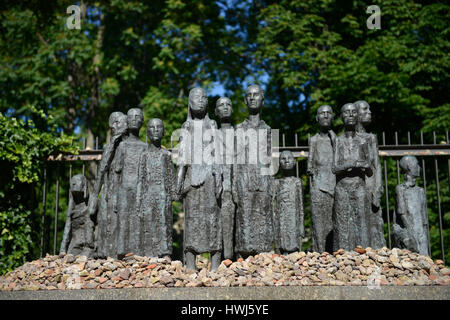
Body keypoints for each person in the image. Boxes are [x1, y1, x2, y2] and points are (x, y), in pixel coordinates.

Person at [176, 88, 222, 271]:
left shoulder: (212, 125)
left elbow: (217, 154)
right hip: (192, 180)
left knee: (213, 219)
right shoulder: (186, 127)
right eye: (197, 98)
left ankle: (215, 261)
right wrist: (178, 182)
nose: (201, 101)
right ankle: (190, 262)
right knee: (192, 220)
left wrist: (219, 177)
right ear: (189, 102)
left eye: (204, 97)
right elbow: (182, 157)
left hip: (210, 178)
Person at [233, 84, 274, 259]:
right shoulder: (239, 129)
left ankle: (263, 257)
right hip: (244, 182)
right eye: (248, 95)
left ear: (262, 99)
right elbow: (235, 160)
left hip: (263, 182)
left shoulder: (268, 130)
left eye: (256, 95)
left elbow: (271, 160)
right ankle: (244, 257)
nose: (252, 98)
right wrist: (235, 185)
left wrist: (271, 185)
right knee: (245, 220)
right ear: (245, 100)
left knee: (263, 217)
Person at [332, 103, 371, 251]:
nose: (350, 115)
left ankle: (363, 255)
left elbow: (370, 170)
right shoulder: (338, 141)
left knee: (361, 223)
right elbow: (334, 168)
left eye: (353, 112)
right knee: (342, 224)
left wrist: (365, 166)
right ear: (342, 117)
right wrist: (350, 163)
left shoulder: (363, 141)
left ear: (357, 116)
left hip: (359, 187)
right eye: (346, 112)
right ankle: (343, 256)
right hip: (342, 188)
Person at [88, 111, 127, 258]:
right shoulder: (109, 147)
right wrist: (94, 195)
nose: (114, 127)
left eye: (117, 122)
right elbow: (102, 170)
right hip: (109, 190)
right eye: (112, 124)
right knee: (106, 222)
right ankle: (105, 255)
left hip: (125, 191)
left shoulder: (131, 146)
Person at [136, 118, 176, 258]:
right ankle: (149, 253)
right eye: (152, 127)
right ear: (147, 132)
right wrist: (138, 201)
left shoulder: (166, 155)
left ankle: (165, 252)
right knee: (148, 223)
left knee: (164, 223)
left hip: (163, 195)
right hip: (148, 195)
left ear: (164, 132)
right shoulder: (144, 156)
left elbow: (171, 177)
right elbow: (140, 180)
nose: (156, 130)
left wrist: (172, 196)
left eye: (159, 127)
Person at [114, 108, 147, 258]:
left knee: (137, 221)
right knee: (123, 222)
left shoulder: (145, 147)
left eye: (137, 116)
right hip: (124, 189)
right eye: (131, 117)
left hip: (140, 190)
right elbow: (117, 172)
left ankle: (137, 251)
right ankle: (121, 252)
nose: (134, 119)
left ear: (142, 121)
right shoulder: (122, 146)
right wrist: (115, 196)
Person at [354, 100, 386, 249]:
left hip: (371, 185)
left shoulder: (371, 138)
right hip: (355, 188)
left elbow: (377, 164)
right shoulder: (346, 139)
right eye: (365, 109)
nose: (369, 112)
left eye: (369, 109)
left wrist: (378, 187)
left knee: (375, 223)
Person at [307, 105, 336, 253]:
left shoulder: (337, 140)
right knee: (319, 225)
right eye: (322, 113)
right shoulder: (313, 140)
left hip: (335, 188)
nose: (325, 116)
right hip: (318, 187)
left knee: (334, 224)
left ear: (332, 116)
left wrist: (335, 141)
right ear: (317, 118)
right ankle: (319, 254)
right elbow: (309, 166)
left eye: (328, 113)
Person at [393, 156, 430, 256]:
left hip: (422, 235)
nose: (419, 167)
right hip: (410, 234)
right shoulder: (400, 189)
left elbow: (424, 219)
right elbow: (402, 213)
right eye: (416, 164)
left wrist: (424, 237)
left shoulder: (420, 191)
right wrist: (412, 234)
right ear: (409, 167)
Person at [215, 97, 236, 260]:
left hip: (234, 185)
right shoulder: (211, 135)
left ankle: (231, 257)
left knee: (234, 225)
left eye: (228, 104)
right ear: (215, 111)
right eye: (221, 105)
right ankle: (219, 258)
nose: (225, 107)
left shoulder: (240, 134)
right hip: (216, 184)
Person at [274, 151, 305, 255]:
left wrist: (301, 225)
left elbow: (300, 206)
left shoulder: (297, 182)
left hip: (293, 221)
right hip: (281, 221)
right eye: (283, 158)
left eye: (289, 158)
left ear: (294, 162)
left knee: (294, 246)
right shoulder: (276, 182)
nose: (286, 161)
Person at [60, 174, 95, 257]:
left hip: (88, 245)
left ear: (84, 185)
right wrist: (62, 249)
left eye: (77, 181)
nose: (73, 184)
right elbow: (68, 225)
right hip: (75, 243)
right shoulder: (73, 205)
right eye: (72, 182)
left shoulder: (92, 202)